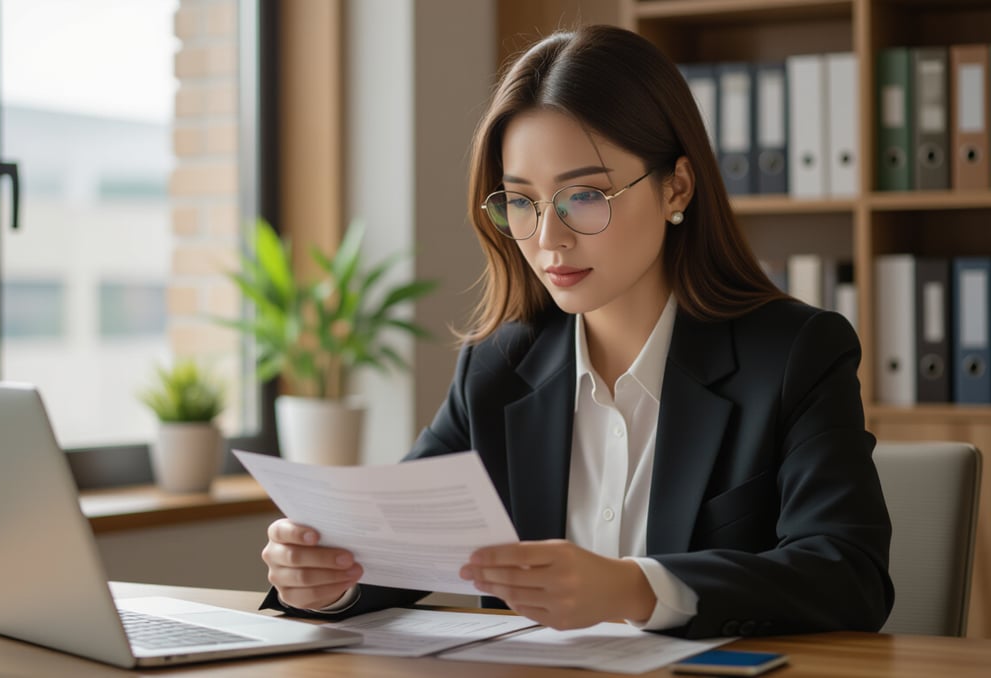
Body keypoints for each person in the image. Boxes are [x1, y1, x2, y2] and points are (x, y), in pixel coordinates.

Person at [259, 24, 894, 639]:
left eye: (585, 196)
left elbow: (848, 575)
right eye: (521, 201)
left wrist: (632, 588)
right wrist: (324, 578)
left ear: (676, 187)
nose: (548, 238)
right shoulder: (499, 366)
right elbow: (397, 549)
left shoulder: (793, 355)